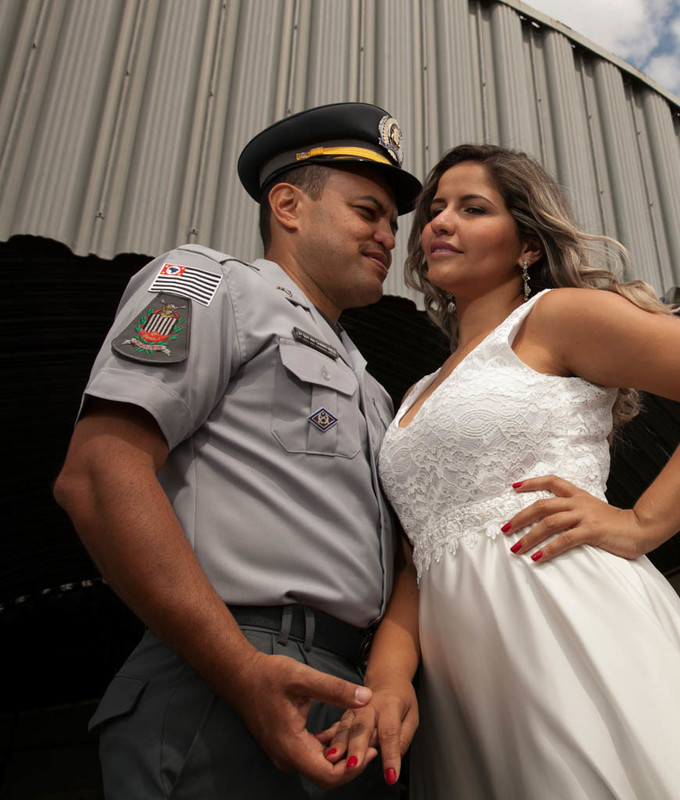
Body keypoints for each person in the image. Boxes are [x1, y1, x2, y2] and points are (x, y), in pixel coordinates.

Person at [321, 143, 680, 798]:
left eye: (472, 207)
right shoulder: (414, 395)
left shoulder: (556, 317)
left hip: (567, 623)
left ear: (527, 245)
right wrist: (390, 678)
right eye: (434, 209)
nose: (439, 221)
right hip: (466, 675)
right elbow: (415, 562)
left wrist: (639, 524)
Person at [53, 102, 423, 797]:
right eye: (368, 211)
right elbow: (101, 473)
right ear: (287, 204)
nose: (387, 236)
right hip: (223, 672)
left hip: (351, 701)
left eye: (393, 225)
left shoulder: (375, 391)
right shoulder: (209, 282)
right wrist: (240, 670)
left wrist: (385, 680)